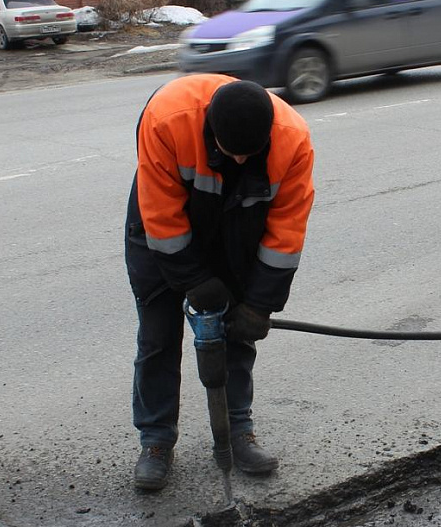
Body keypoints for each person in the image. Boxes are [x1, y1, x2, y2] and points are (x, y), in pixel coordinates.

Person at [124, 74, 315, 491]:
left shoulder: (293, 140)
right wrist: (194, 280)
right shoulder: (167, 120)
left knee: (237, 332)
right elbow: (161, 218)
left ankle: (238, 430)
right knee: (158, 335)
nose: (242, 161)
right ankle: (156, 441)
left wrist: (259, 305)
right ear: (211, 131)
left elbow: (286, 232)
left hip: (239, 222)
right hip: (163, 227)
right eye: (233, 152)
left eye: (252, 153)